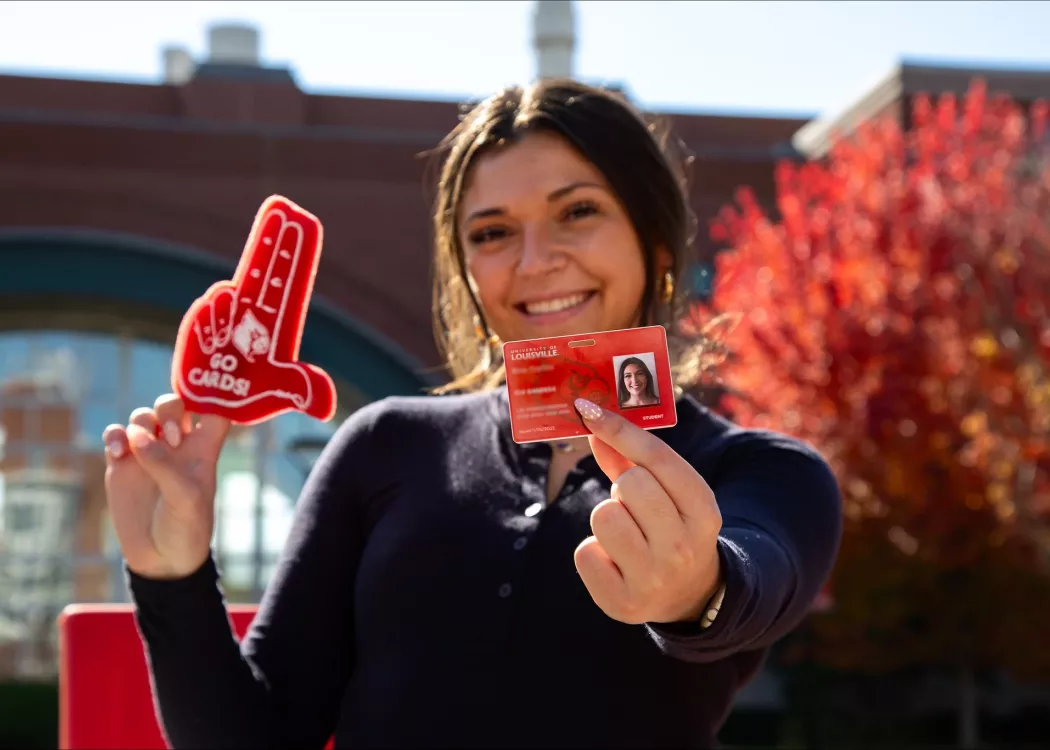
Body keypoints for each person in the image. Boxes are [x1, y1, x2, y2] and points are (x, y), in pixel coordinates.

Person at [102, 79, 843, 749]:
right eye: (491, 232)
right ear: (465, 269)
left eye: (577, 212)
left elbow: (755, 581)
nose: (534, 259)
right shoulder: (382, 445)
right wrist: (171, 573)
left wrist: (697, 591)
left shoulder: (764, 471)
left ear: (655, 243)